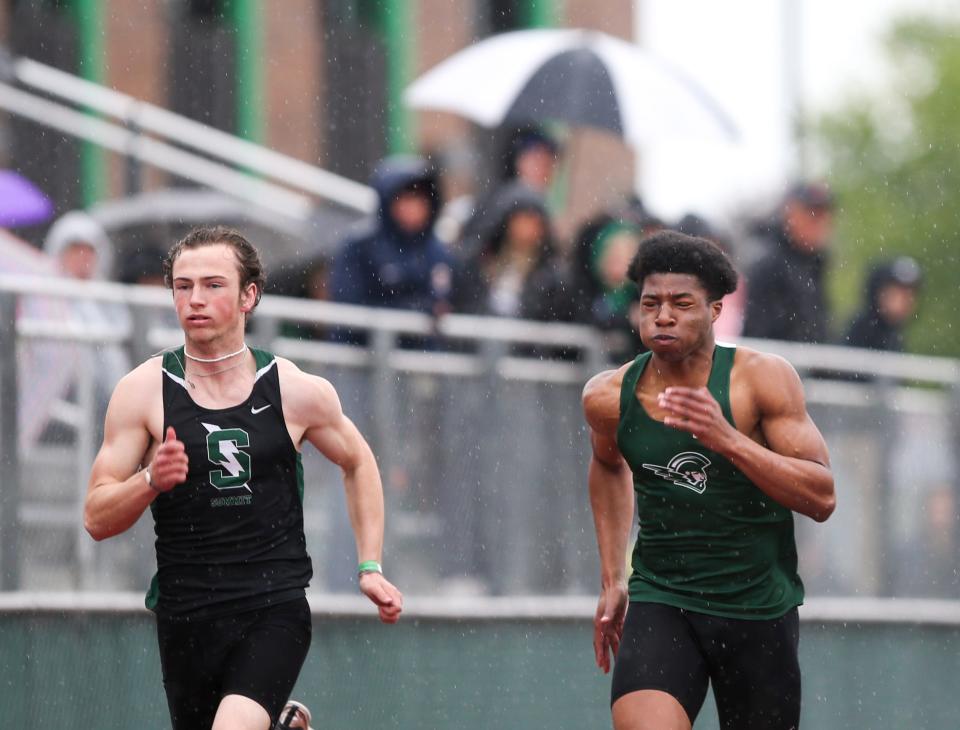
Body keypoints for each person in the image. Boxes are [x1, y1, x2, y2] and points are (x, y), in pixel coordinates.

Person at [83, 226, 403, 730]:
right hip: (186, 615)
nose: (195, 300)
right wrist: (150, 480)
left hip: (272, 607)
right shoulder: (142, 391)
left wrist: (369, 565)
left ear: (248, 295)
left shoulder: (295, 389)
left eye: (213, 285)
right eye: (183, 287)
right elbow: (96, 517)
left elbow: (358, 460)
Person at [582, 230, 835, 730]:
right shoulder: (608, 397)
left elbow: (821, 496)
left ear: (716, 311)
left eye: (681, 303)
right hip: (664, 598)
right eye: (650, 303)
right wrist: (613, 578)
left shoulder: (761, 380)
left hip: (757, 607)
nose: (663, 315)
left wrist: (729, 439)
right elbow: (608, 465)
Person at [329, 154, 455, 317]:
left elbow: (455, 304)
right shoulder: (360, 247)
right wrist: (415, 311)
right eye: (406, 198)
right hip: (368, 342)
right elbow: (349, 310)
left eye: (421, 198)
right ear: (388, 201)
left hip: (424, 343)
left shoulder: (439, 252)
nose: (414, 207)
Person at [741, 181, 835, 343]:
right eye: (811, 213)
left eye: (823, 214)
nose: (819, 222)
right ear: (789, 213)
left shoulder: (815, 267)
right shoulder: (768, 265)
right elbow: (758, 339)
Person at [842, 256, 922, 352]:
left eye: (909, 295)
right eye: (895, 293)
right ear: (877, 292)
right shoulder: (861, 333)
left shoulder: (893, 337)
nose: (903, 302)